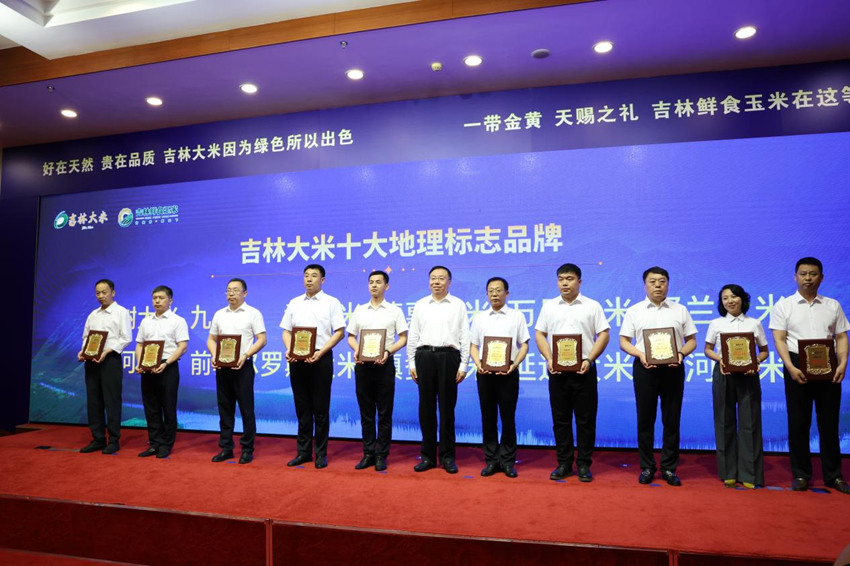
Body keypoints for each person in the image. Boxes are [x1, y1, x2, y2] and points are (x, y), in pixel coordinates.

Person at [769, 257, 849, 494]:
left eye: (813, 274)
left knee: (829, 422)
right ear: (795, 277)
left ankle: (834, 476)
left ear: (821, 278)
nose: (808, 278)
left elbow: (841, 336)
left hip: (828, 365)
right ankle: (801, 474)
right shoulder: (784, 306)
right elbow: (779, 339)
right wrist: (790, 367)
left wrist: (843, 363)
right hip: (797, 364)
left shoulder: (833, 305)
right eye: (803, 274)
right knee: (798, 422)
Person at [620, 266, 697, 486]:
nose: (657, 285)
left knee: (671, 419)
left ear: (668, 284)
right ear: (645, 285)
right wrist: (640, 354)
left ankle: (669, 468)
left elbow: (692, 340)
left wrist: (680, 354)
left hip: (673, 369)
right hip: (645, 369)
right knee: (645, 418)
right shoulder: (634, 311)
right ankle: (647, 466)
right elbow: (624, 341)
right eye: (652, 281)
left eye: (662, 281)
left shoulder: (680, 310)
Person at [534, 264, 610, 482]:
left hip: (584, 371)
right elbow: (539, 334)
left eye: (569, 278)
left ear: (579, 281)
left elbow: (604, 334)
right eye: (561, 279)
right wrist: (549, 358)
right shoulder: (549, 306)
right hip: (557, 372)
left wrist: (589, 359)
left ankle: (584, 464)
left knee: (586, 420)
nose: (564, 283)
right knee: (561, 419)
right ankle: (564, 463)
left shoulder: (592, 306)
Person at [704, 284, 768, 488]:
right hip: (724, 374)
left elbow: (764, 351)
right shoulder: (716, 323)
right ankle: (728, 472)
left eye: (734, 297)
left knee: (750, 423)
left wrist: (755, 362)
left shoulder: (754, 323)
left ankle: (750, 474)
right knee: (724, 421)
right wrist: (720, 360)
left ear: (743, 299)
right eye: (725, 298)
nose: (730, 301)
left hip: (748, 375)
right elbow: (708, 349)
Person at [281, 264, 346, 469]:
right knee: (302, 408)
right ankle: (303, 452)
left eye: (314, 276)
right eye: (306, 275)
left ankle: (320, 454)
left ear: (322, 280)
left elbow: (339, 332)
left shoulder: (331, 302)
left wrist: (321, 352)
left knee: (320, 408)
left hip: (321, 358)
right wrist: (290, 349)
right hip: (297, 360)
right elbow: (286, 331)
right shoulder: (294, 302)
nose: (309, 279)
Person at [407, 265, 469, 474]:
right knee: (426, 409)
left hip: (449, 357)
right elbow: (413, 335)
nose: (436, 282)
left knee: (447, 409)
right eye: (433, 278)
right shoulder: (420, 304)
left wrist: (463, 364)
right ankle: (427, 456)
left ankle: (447, 457)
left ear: (449, 282)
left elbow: (465, 336)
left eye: (441, 278)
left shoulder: (458, 305)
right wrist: (411, 363)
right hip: (424, 356)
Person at [346, 270, 408, 471]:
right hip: (363, 366)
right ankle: (368, 453)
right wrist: (357, 350)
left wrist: (388, 351)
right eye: (371, 282)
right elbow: (351, 336)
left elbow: (403, 338)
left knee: (384, 413)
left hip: (384, 366)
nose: (374, 285)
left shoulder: (394, 311)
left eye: (378, 282)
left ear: (386, 286)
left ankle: (382, 455)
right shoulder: (359, 310)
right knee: (366, 413)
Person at [470, 277, 529, 478]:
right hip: (485, 374)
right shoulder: (479, 318)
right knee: (488, 418)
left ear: (507, 293)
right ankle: (491, 460)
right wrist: (478, 363)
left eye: (498, 290)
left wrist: (514, 364)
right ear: (487, 294)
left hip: (508, 373)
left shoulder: (517, 316)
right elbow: (473, 345)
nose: (494, 294)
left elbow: (525, 344)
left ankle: (507, 461)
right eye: (491, 291)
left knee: (508, 417)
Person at [207, 278, 267, 464]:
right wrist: (214, 355)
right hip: (222, 367)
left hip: (243, 366)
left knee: (246, 409)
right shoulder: (219, 314)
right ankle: (226, 447)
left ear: (245, 293)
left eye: (235, 290)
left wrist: (246, 354)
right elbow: (211, 339)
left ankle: (247, 449)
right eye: (228, 290)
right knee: (225, 408)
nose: (231, 293)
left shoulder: (253, 313)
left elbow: (262, 339)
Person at [133, 285, 189, 459]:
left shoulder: (178, 321)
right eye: (154, 298)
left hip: (168, 367)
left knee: (168, 407)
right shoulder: (146, 321)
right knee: (151, 407)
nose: (157, 301)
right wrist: (140, 363)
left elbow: (183, 346)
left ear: (170, 300)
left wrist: (167, 363)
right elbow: (140, 344)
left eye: (161, 298)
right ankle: (154, 443)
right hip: (148, 367)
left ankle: (166, 444)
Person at [78, 279, 132, 454]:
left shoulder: (121, 312)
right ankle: (98, 439)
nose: (101, 296)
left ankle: (114, 440)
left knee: (111, 400)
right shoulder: (93, 314)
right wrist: (83, 351)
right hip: (91, 361)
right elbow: (86, 337)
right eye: (98, 293)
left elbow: (126, 338)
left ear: (113, 293)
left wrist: (107, 351)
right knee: (94, 400)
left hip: (110, 360)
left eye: (104, 292)